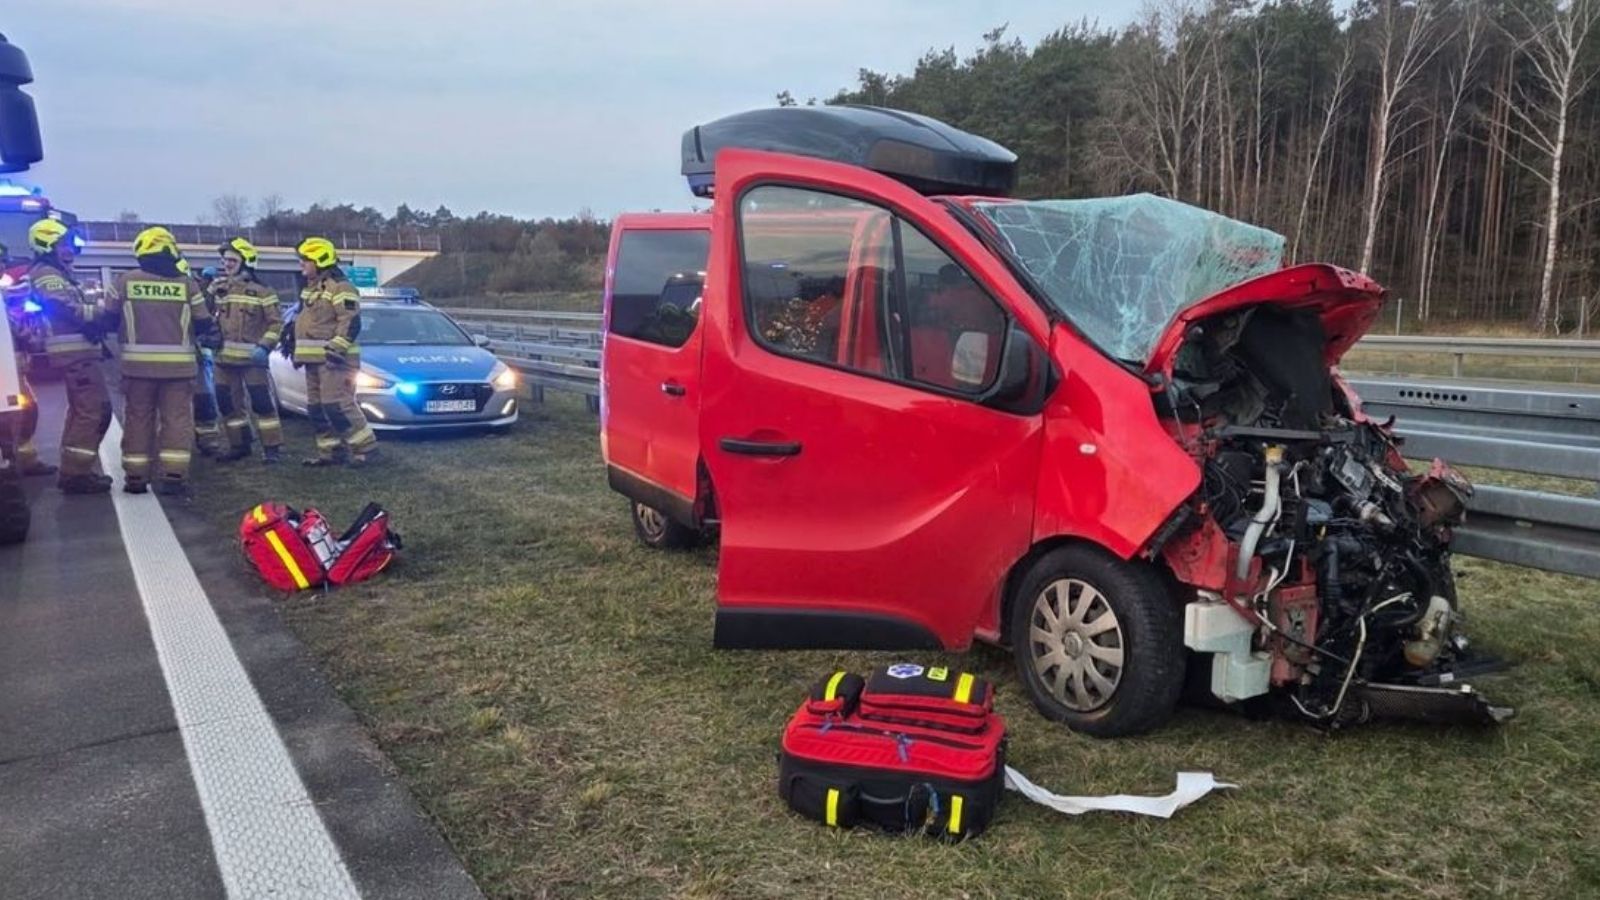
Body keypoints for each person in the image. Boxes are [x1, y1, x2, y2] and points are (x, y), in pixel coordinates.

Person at [107, 227, 218, 495]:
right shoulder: (187, 284)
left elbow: (107, 319)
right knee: (176, 421)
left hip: (137, 369)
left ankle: (135, 477)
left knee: (137, 419)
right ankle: (173, 477)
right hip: (178, 369)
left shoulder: (123, 281)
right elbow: (204, 323)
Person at [27, 218, 112, 494]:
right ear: (47, 244)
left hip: (78, 354)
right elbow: (60, 306)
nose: (69, 250)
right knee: (93, 412)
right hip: (75, 355)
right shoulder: (48, 274)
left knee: (84, 411)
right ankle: (77, 474)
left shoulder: (57, 272)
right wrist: (98, 317)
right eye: (63, 244)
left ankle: (74, 469)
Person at [292, 237, 376, 466]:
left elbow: (350, 322)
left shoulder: (341, 287)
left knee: (338, 405)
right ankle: (330, 453)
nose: (301, 265)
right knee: (317, 408)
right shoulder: (311, 289)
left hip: (334, 361)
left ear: (319, 260)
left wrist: (336, 350)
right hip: (312, 361)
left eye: (305, 260)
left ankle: (365, 450)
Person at [211, 237, 283, 463]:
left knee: (262, 404)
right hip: (223, 359)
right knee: (228, 404)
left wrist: (264, 346)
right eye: (225, 260)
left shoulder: (263, 291)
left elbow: (276, 323)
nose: (227, 264)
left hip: (253, 359)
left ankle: (272, 449)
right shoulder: (219, 288)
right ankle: (239, 444)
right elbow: (207, 316)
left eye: (232, 260)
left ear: (246, 262)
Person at [2, 258, 56, 477]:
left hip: (13, 367)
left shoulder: (14, 291)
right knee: (18, 412)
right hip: (6, 370)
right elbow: (18, 331)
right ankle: (13, 462)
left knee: (25, 410)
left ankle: (22, 460)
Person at [190, 264, 224, 457]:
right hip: (198, 350)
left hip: (203, 351)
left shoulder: (201, 290)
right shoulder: (201, 293)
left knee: (204, 397)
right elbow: (203, 318)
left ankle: (206, 439)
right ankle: (205, 439)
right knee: (203, 396)